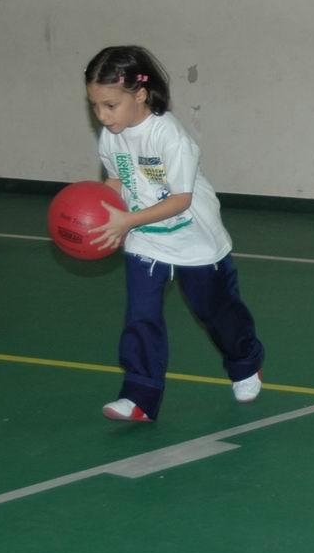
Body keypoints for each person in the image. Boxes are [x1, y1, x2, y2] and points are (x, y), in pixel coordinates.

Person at [84, 45, 264, 422]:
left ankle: (245, 361)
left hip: (194, 239)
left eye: (110, 105)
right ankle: (140, 396)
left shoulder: (170, 138)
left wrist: (126, 221)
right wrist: (103, 205)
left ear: (140, 95)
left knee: (216, 313)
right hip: (146, 239)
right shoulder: (112, 136)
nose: (102, 115)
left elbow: (181, 201)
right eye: (95, 106)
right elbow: (116, 177)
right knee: (141, 316)